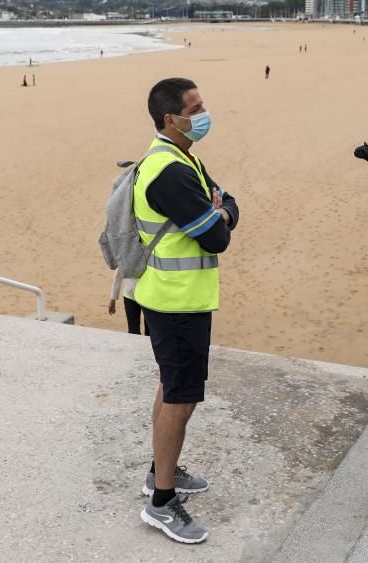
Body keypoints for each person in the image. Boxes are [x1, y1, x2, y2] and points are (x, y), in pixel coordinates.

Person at [135, 77, 239, 544]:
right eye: (194, 108)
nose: (203, 113)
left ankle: (163, 469)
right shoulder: (171, 171)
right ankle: (160, 501)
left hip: (174, 298)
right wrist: (219, 214)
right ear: (170, 119)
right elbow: (218, 236)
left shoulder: (181, 157)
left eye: (203, 104)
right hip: (176, 302)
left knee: (171, 386)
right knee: (181, 397)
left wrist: (222, 210)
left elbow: (228, 202)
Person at [108, 271, 148, 335]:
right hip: (130, 297)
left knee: (150, 331)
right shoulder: (126, 260)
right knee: (133, 331)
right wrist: (113, 298)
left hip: (148, 298)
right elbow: (119, 273)